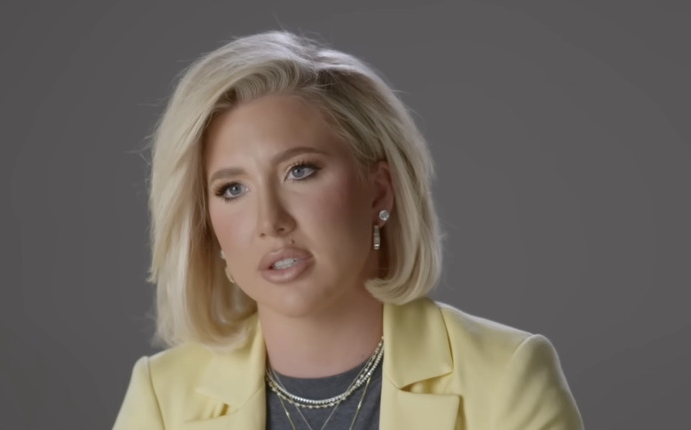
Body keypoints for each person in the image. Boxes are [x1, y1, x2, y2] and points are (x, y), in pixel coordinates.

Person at [113, 31, 583, 429]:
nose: (270, 221)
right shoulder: (162, 400)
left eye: (300, 171)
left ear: (379, 191)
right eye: (232, 189)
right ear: (208, 226)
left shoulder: (506, 377)